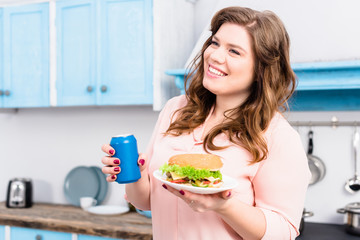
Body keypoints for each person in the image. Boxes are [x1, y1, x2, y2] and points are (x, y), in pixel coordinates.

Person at [101, 6, 310, 240]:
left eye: (234, 51)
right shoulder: (175, 110)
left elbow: (283, 232)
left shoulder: (277, 136)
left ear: (261, 69)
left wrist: (223, 206)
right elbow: (146, 201)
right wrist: (136, 174)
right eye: (215, 43)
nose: (216, 56)